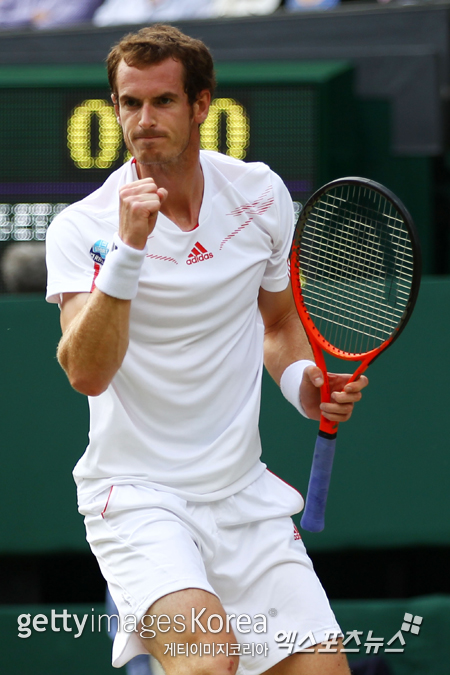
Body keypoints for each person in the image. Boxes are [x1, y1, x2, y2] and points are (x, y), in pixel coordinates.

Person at [45, 24, 368, 675]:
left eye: (162, 101)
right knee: (206, 660)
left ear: (200, 105)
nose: (143, 120)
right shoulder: (83, 226)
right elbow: (86, 370)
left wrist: (303, 381)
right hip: (137, 497)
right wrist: (129, 251)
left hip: (241, 491)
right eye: (129, 103)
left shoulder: (259, 195)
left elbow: (277, 323)